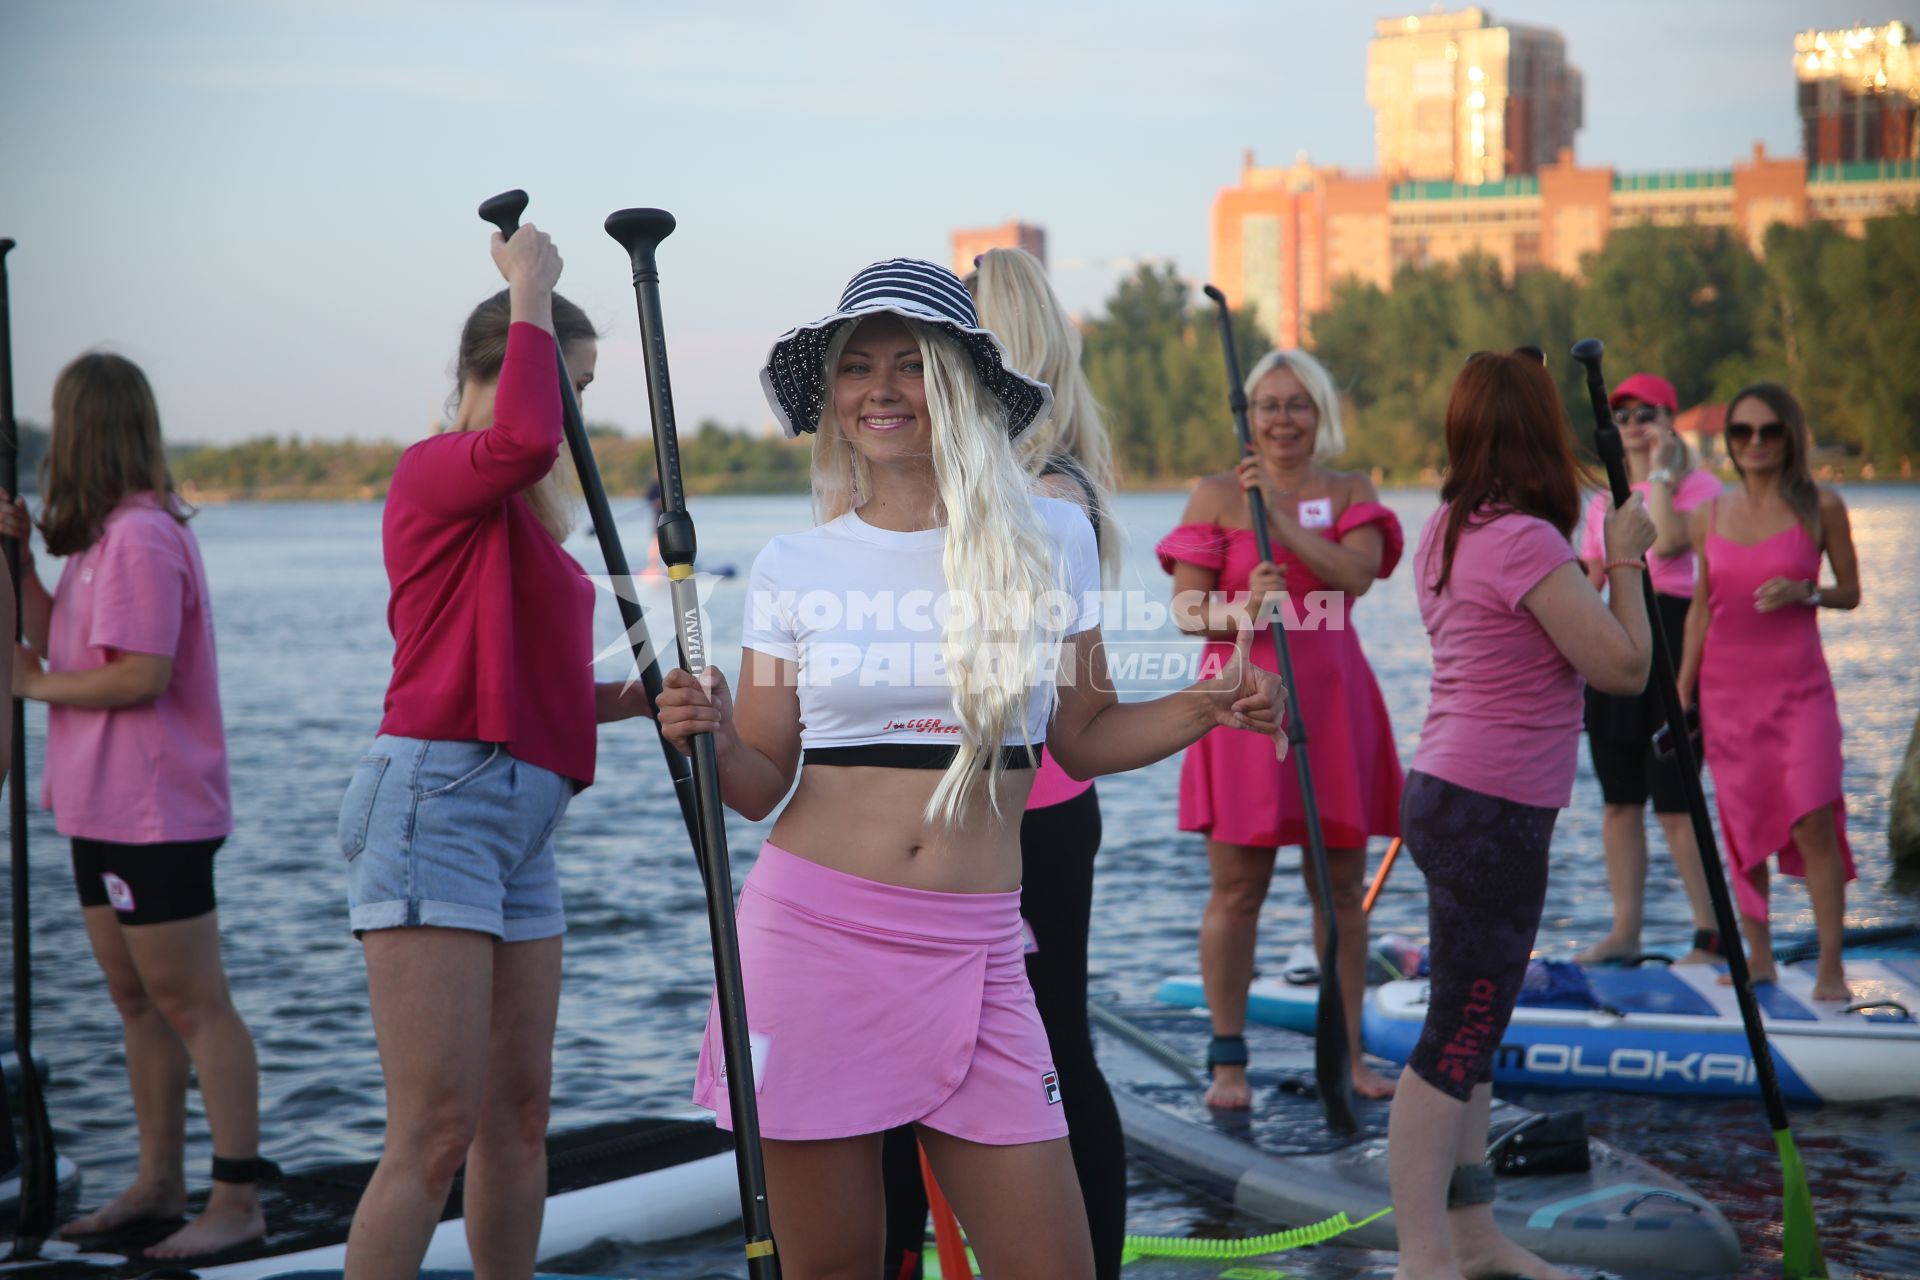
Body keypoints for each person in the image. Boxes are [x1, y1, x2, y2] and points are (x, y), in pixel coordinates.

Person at [654, 258, 1283, 1280]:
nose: (882, 389)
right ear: (834, 399)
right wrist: (711, 731)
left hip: (980, 948)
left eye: (913, 364)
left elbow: (1082, 736)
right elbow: (760, 779)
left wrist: (1209, 704)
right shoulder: (792, 566)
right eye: (858, 368)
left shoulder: (1056, 536)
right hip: (809, 937)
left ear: (966, 384)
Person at [336, 226, 653, 1279]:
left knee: (520, 1117)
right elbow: (516, 438)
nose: (574, 422)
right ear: (497, 369)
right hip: (437, 800)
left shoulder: (526, 521)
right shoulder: (438, 476)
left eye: (585, 393)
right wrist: (530, 285)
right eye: (566, 389)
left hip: (523, 816)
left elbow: (540, 690)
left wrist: (650, 700)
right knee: (434, 1132)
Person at [879, 247, 1128, 1280]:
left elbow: (1071, 687)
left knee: (1050, 1045)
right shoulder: (1020, 471)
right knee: (950, 1046)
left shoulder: (1042, 484)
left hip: (1028, 801)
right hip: (992, 797)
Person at [1388, 350, 1655, 1280]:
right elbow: (1624, 666)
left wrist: (1595, 556)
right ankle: (1427, 1260)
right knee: (1455, 1034)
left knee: (1473, 1022)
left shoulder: (1449, 530)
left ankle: (1472, 1236)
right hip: (1491, 811)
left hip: (1448, 793)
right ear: (1542, 431)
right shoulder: (1526, 542)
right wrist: (1624, 551)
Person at [3, 353, 266, 1258]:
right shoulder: (100, 540)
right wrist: (21, 559)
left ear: (84, 432)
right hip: (97, 806)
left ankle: (236, 1198)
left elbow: (140, 675)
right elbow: (53, 638)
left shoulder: (144, 539)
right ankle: (158, 1182)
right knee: (135, 1001)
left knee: (195, 1004)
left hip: (156, 810)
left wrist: (32, 689)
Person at [1157, 347, 1404, 1106]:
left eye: (1298, 404)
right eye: (1268, 405)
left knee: (1340, 890)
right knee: (1237, 889)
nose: (1283, 419)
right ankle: (1228, 1062)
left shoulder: (1350, 489)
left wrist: (1280, 525)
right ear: (1247, 416)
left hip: (1334, 703)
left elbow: (1357, 575)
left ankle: (1350, 1054)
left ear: (1319, 413)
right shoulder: (1212, 496)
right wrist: (1242, 608)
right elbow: (1188, 613)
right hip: (1241, 701)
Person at [1677, 382, 1859, 1001]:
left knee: (1813, 815)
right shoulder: (1708, 516)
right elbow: (1702, 607)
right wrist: (1681, 692)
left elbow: (1850, 592)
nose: (1755, 443)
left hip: (1801, 689)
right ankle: (1758, 957)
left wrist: (1806, 592)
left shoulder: (1822, 506)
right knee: (1744, 823)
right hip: (1727, 692)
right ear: (1729, 442)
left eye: (1769, 431)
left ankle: (1830, 965)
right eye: (1742, 432)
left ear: (1790, 437)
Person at [1573, 372, 1721, 966]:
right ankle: (1625, 932)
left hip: (1678, 642)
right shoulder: (1600, 500)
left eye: (1645, 414)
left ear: (1668, 419)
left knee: (1676, 804)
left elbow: (1666, 548)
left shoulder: (1700, 486)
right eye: (1622, 415)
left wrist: (1661, 469)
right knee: (1618, 801)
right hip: (1618, 640)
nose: (1632, 424)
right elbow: (1590, 582)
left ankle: (1711, 936)